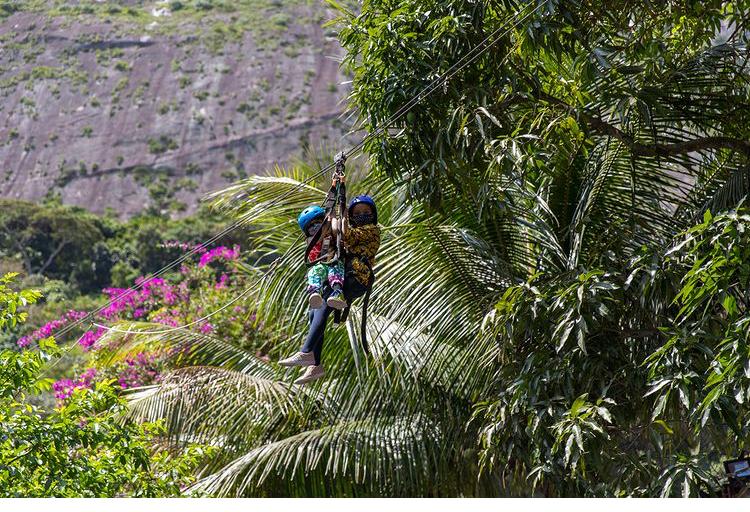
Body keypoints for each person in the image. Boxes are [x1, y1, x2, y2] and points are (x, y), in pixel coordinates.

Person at [279, 194, 381, 385]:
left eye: (366, 212)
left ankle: (306, 351)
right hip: (346, 276)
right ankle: (315, 365)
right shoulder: (346, 233)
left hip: (356, 277)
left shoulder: (372, 230)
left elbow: (345, 233)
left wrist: (337, 211)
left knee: (324, 307)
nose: (362, 216)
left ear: (373, 215)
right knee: (314, 312)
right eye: (357, 213)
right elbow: (338, 236)